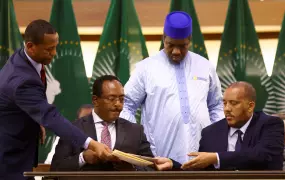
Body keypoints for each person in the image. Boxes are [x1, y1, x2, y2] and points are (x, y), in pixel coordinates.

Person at [0, 20, 114, 179]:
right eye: (49, 49)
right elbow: (51, 117)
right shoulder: (21, 79)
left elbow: (28, 102)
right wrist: (92, 144)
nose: (54, 53)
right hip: (9, 158)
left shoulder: (26, 59)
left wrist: (35, 120)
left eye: (55, 47)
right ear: (30, 46)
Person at [120, 11, 224, 164]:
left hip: (202, 156)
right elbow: (126, 105)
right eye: (170, 45)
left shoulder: (205, 66)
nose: (176, 51)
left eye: (183, 46)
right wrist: (137, 141)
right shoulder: (145, 68)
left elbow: (216, 106)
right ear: (163, 39)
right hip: (158, 157)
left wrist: (217, 141)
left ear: (189, 40)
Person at [50, 75, 173, 171]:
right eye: (112, 99)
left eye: (121, 99)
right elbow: (56, 168)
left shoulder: (136, 131)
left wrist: (133, 169)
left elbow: (151, 168)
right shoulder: (74, 129)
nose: (118, 104)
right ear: (95, 100)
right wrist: (83, 158)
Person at [180, 82, 284, 170]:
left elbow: (262, 156)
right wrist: (173, 165)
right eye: (224, 103)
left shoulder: (270, 124)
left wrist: (217, 158)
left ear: (250, 106)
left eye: (233, 103)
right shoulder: (210, 132)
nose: (227, 109)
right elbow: (201, 168)